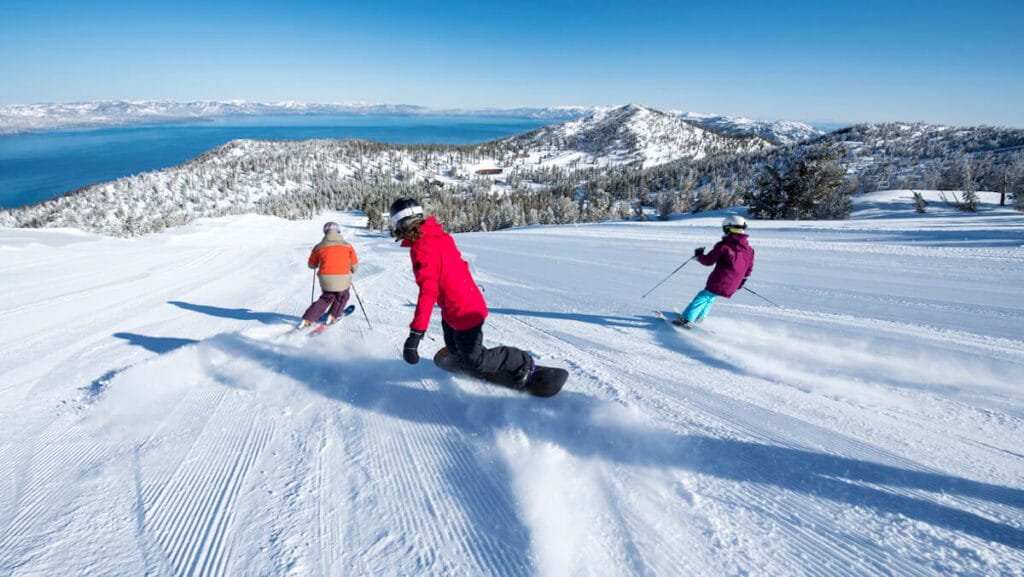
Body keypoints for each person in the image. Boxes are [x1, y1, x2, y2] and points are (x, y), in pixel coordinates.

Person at [389, 197, 536, 389]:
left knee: (476, 361)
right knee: (454, 349)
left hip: (464, 310)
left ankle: (522, 362)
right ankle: (467, 357)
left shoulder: (422, 247)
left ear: (401, 223)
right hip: (454, 306)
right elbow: (459, 265)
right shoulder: (437, 236)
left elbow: (428, 292)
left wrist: (415, 335)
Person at [677, 215, 754, 328]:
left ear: (728, 228)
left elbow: (708, 261)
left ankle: (686, 320)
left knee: (704, 296)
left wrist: (699, 256)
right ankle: (699, 317)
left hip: (720, 280)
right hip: (734, 283)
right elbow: (749, 267)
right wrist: (742, 281)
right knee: (710, 297)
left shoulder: (723, 246)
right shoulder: (749, 250)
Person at [298, 221, 359, 328]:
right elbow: (354, 263)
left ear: (325, 232)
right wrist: (352, 270)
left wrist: (317, 263)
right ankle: (333, 316)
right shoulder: (348, 246)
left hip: (325, 279)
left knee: (326, 298)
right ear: (338, 231)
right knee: (342, 296)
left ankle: (308, 319)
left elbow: (311, 265)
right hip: (343, 278)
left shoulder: (319, 247)